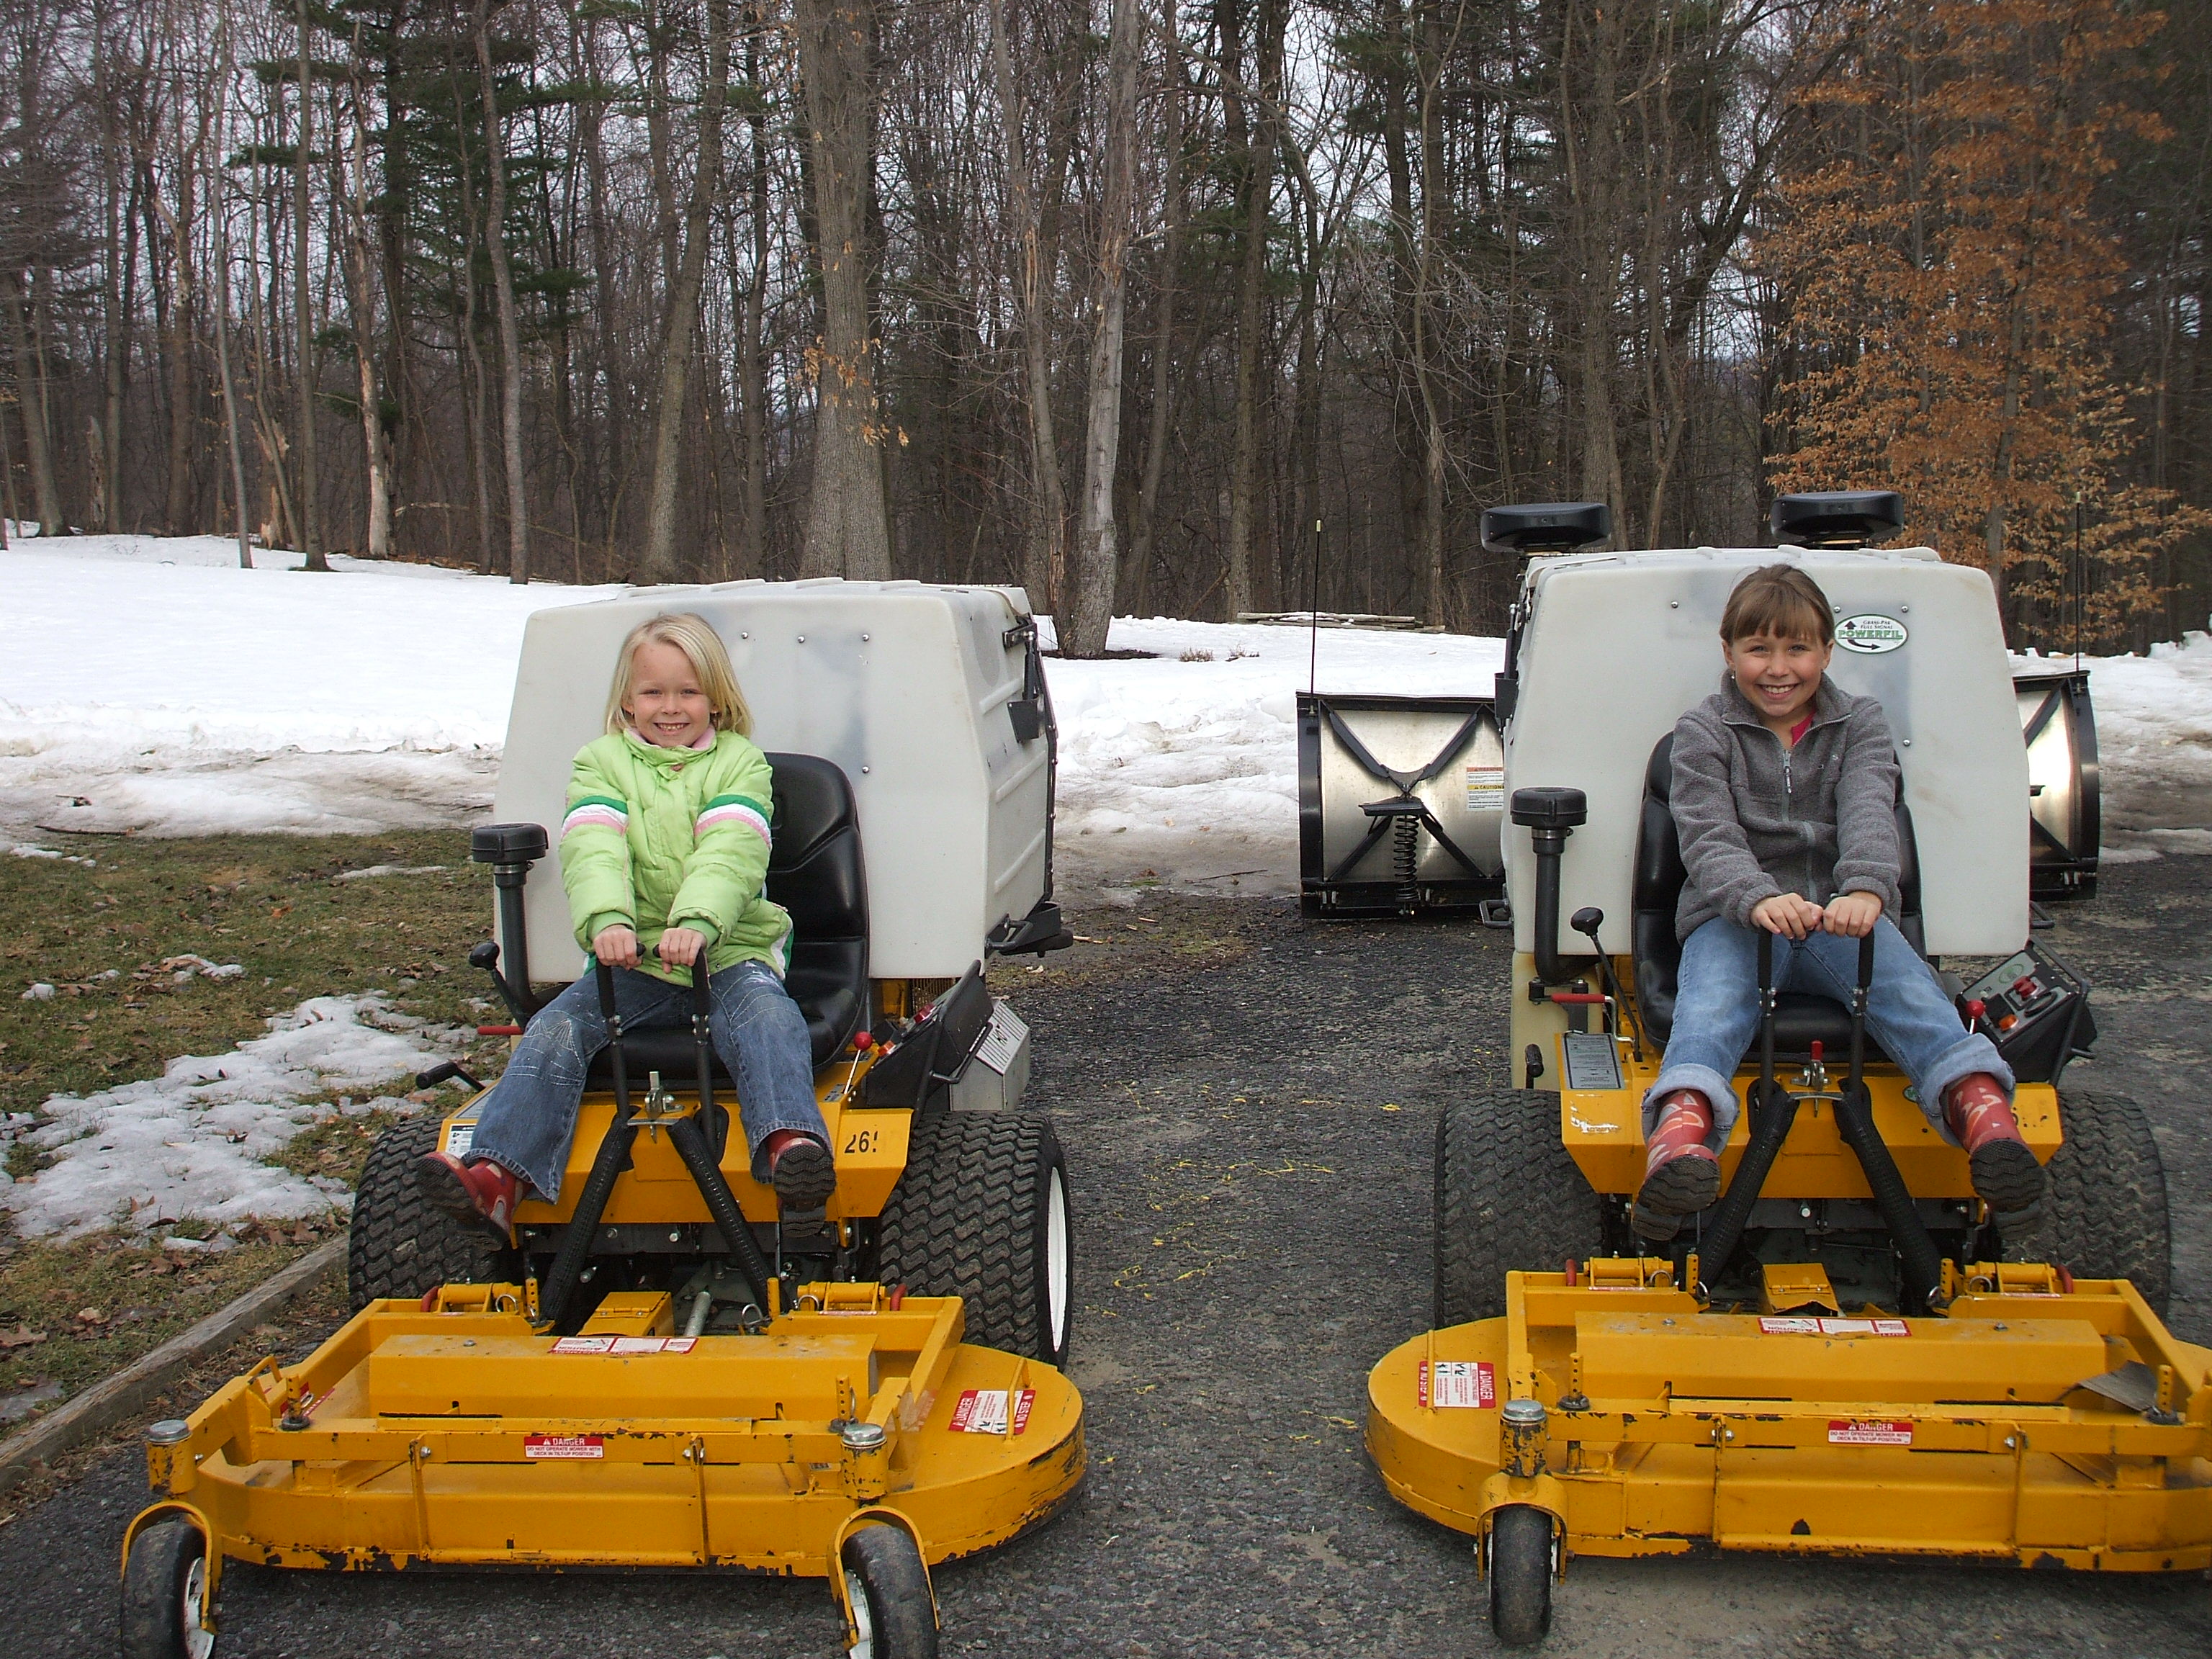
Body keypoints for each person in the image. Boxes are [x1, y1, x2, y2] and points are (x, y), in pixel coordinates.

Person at [1632, 563, 2041, 1239]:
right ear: (1728, 652)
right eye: (1759, 649)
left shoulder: (1861, 726)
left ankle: (1987, 1122)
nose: (1778, 668)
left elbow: (1870, 816)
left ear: (1827, 651)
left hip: (1837, 921)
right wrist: (1757, 897)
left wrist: (1865, 890)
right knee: (1706, 1012)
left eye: (1797, 649)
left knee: (1916, 999)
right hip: (1732, 924)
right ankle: (1679, 1141)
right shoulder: (1703, 733)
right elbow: (1706, 835)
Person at [418, 612, 834, 1237]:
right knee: (554, 1028)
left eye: (688, 692)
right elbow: (593, 848)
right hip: (632, 964)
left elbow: (732, 850)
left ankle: (790, 1147)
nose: (672, 707)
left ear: (717, 700)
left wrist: (698, 920)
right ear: (627, 701)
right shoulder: (600, 764)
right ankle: (497, 1177)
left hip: (727, 954)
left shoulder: (741, 765)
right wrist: (607, 920)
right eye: (654, 692)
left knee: (771, 1022)